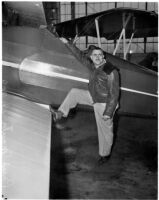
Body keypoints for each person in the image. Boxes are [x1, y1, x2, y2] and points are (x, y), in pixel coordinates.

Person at [50, 38, 120, 165]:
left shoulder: (110, 70)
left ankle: (105, 155)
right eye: (95, 55)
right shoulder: (94, 66)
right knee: (75, 93)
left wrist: (108, 112)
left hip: (104, 103)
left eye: (100, 55)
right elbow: (80, 57)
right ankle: (60, 113)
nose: (97, 57)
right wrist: (67, 43)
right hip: (94, 97)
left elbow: (114, 94)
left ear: (103, 56)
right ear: (92, 57)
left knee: (105, 131)